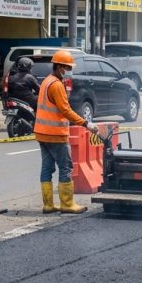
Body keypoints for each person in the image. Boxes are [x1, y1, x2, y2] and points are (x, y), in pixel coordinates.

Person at [35, 50, 99, 214]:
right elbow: (65, 110)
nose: (70, 70)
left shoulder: (47, 81)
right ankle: (67, 204)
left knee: (47, 168)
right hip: (56, 134)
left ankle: (48, 205)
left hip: (42, 133)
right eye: (68, 67)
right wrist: (86, 123)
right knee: (66, 167)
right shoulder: (56, 85)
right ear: (59, 67)